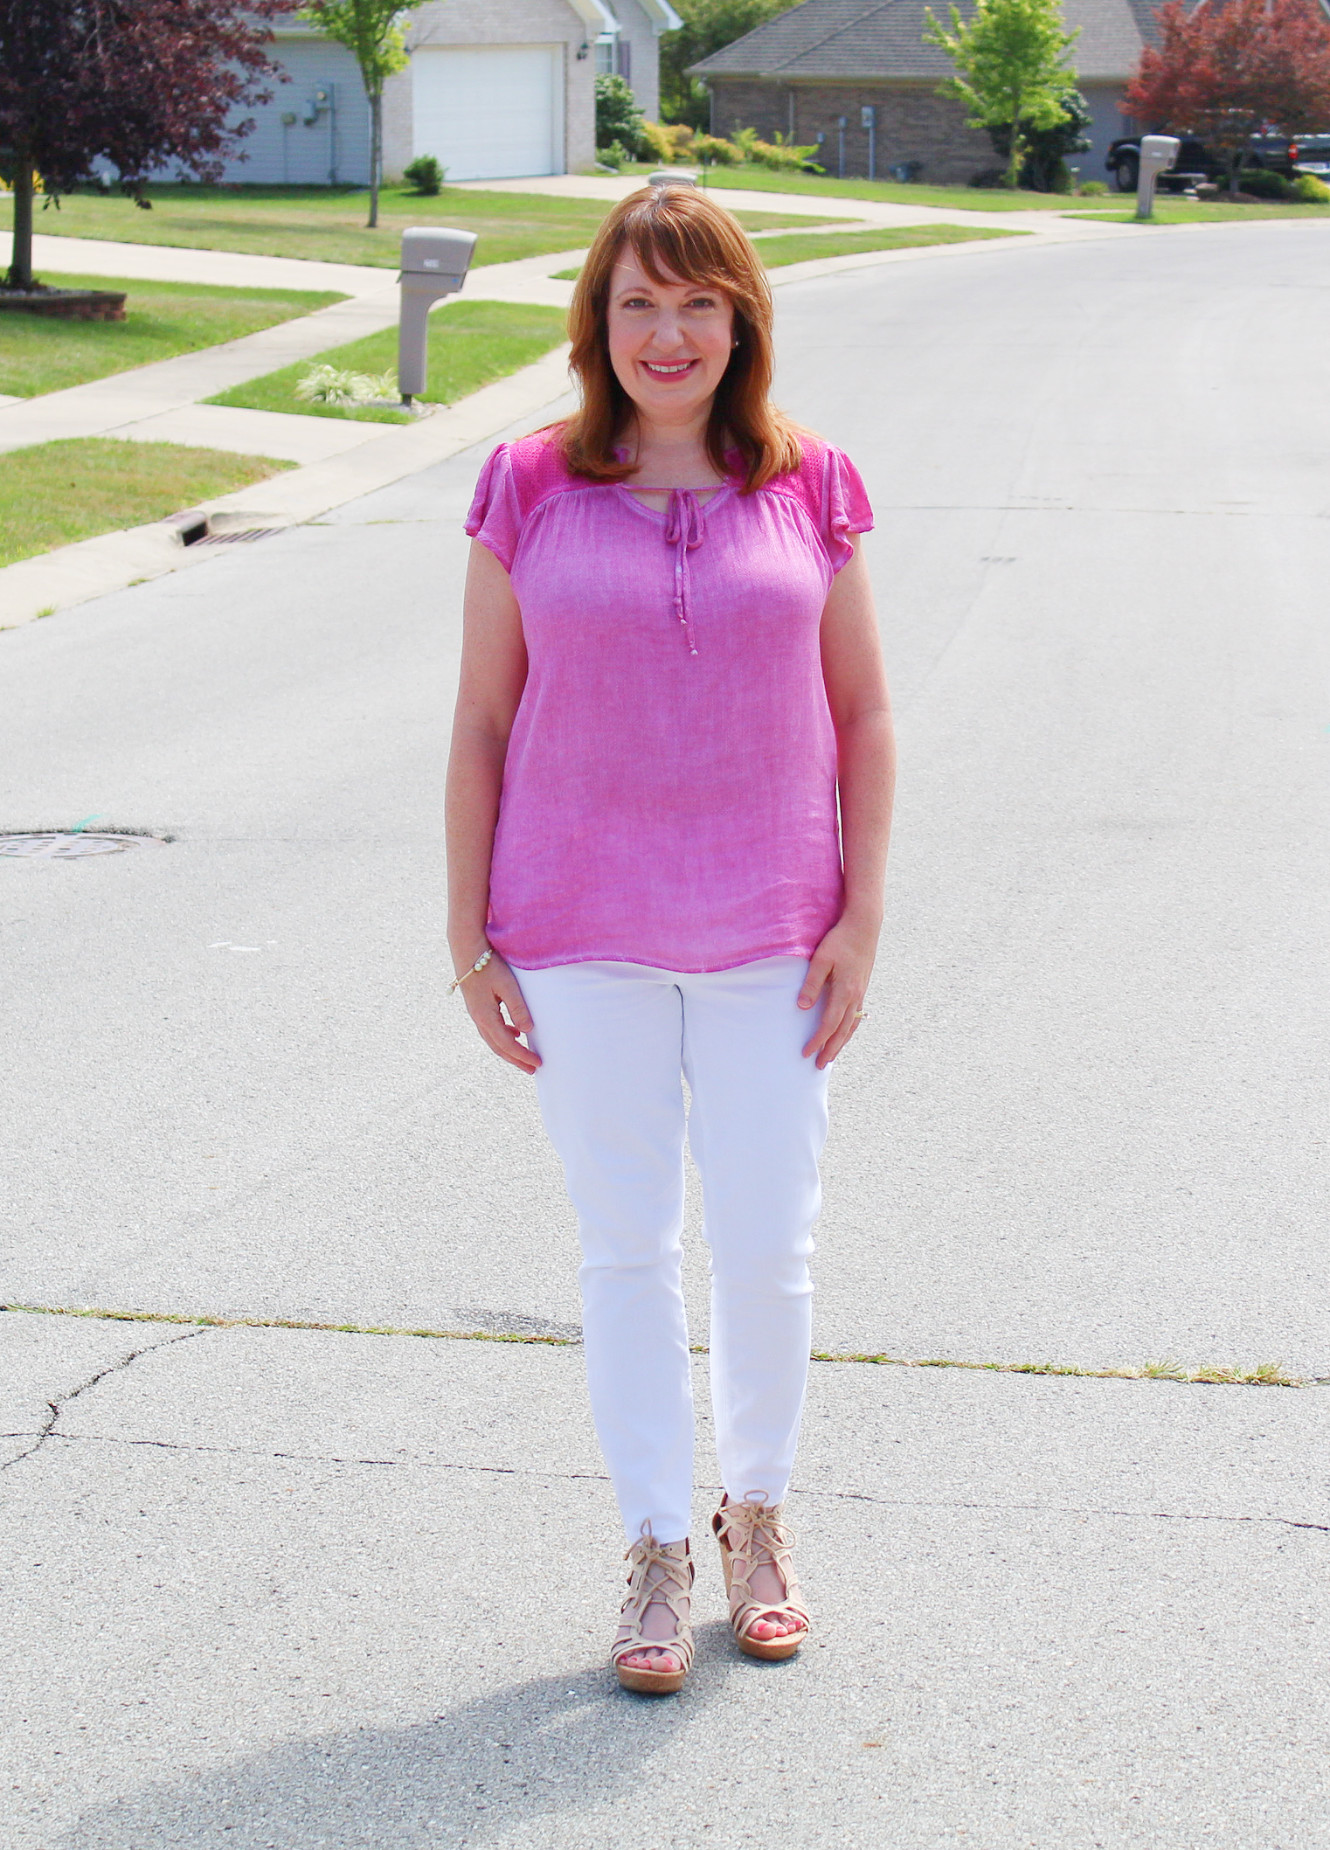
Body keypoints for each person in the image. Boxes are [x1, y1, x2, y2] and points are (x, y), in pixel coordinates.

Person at [445, 183, 895, 1696]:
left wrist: (860, 917)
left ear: (740, 321)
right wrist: (469, 935)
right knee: (624, 1249)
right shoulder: (526, 484)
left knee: (769, 1244)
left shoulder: (811, 483)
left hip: (774, 928)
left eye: (696, 301)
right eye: (637, 301)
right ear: (597, 321)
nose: (667, 331)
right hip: (578, 930)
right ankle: (652, 1543)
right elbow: (483, 723)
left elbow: (866, 716)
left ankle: (755, 1518)